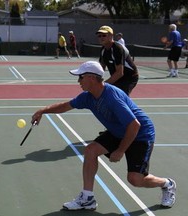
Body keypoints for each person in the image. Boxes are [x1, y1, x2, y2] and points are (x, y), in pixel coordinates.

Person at [31, 61, 176, 211]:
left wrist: (120, 151)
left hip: (140, 134)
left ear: (92, 78)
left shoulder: (112, 96)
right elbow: (66, 106)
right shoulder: (87, 97)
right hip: (118, 131)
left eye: (81, 77)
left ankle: (167, 184)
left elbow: (134, 125)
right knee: (90, 150)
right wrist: (43, 111)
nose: (78, 81)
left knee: (135, 179)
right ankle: (87, 198)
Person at [96, 26, 138, 96]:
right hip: (117, 78)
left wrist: (103, 84)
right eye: (99, 36)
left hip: (129, 77)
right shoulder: (103, 50)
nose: (101, 37)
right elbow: (101, 68)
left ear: (111, 36)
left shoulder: (117, 48)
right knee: (109, 97)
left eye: (104, 35)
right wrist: (96, 80)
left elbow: (119, 73)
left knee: (120, 98)